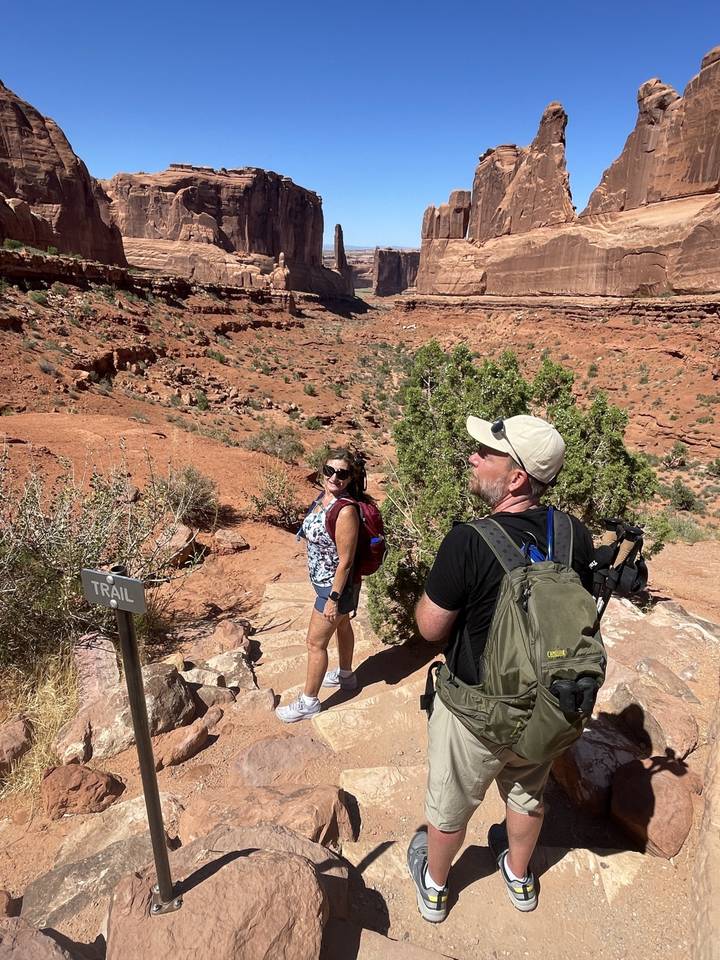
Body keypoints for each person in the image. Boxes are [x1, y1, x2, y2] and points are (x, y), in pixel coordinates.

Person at [407, 414, 595, 921]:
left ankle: (435, 886)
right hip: (547, 708)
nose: (473, 457)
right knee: (527, 796)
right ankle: (518, 875)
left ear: (515, 478)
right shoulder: (573, 534)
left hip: (476, 713)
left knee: (449, 806)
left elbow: (430, 627)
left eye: (486, 453)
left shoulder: (469, 540)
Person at [276, 447, 367, 723]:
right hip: (326, 583)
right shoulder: (324, 497)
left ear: (351, 478)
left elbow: (346, 562)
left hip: (335, 587)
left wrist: (333, 599)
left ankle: (309, 702)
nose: (334, 477)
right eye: (330, 471)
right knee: (342, 626)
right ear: (322, 471)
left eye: (342, 474)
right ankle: (347, 676)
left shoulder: (345, 510)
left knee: (315, 643)